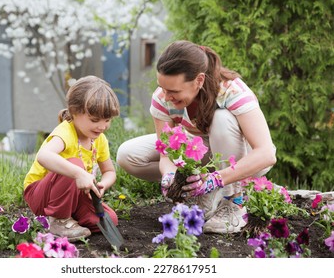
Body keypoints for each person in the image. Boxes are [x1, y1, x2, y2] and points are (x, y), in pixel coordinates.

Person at [117, 40, 276, 233]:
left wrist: (215, 179)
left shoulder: (231, 91)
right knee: (128, 155)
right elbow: (166, 152)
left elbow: (267, 153)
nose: (166, 96)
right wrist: (169, 175)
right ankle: (197, 191)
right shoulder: (163, 97)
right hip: (200, 152)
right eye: (163, 88)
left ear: (199, 80)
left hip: (242, 156)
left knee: (222, 120)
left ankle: (233, 202)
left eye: (174, 91)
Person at [23, 75, 120, 242]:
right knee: (75, 164)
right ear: (75, 112)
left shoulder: (98, 139)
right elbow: (44, 156)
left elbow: (109, 171)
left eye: (107, 120)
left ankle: (68, 218)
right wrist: (78, 173)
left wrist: (104, 183)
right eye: (95, 120)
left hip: (75, 196)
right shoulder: (65, 133)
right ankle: (58, 220)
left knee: (109, 219)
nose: (102, 126)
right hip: (41, 195)